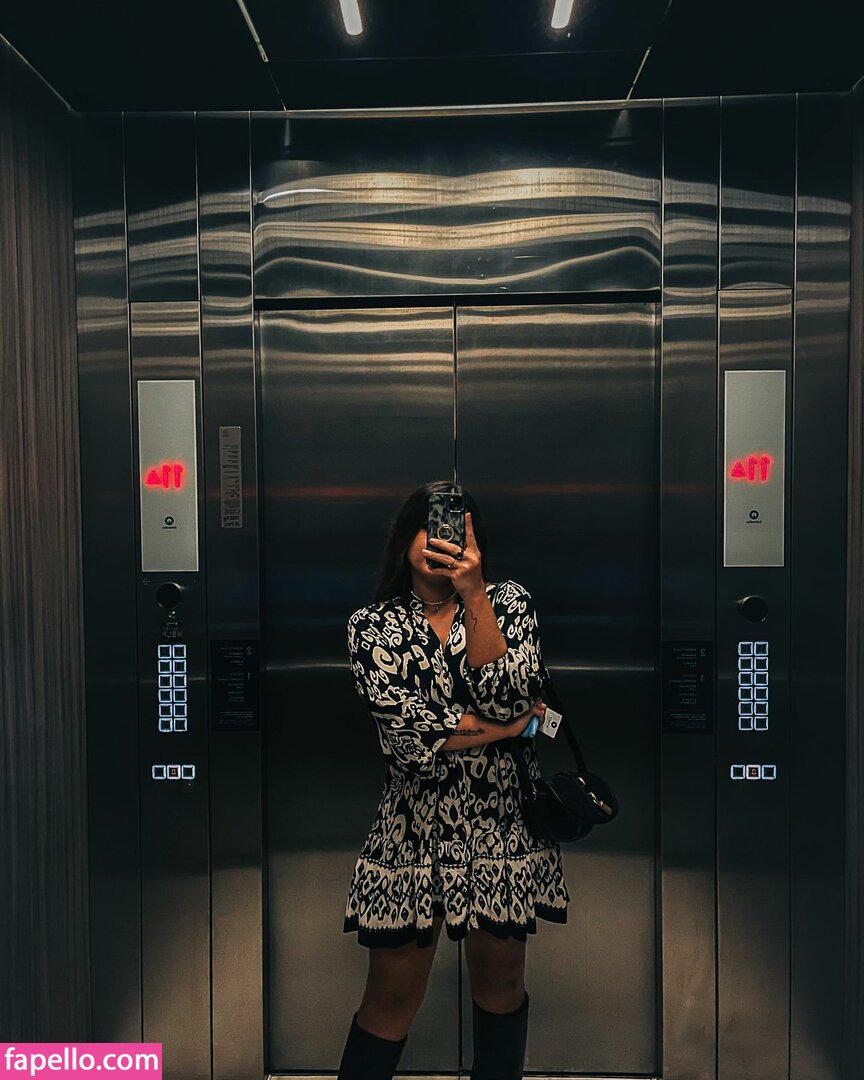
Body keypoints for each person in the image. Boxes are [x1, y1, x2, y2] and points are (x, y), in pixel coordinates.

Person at [337, 480, 571, 1080]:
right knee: (391, 997)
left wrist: (475, 595)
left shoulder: (508, 603)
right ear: (405, 538)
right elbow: (411, 736)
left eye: (457, 530)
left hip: (503, 827)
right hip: (411, 830)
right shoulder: (372, 626)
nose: (440, 540)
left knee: (503, 985)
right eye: (430, 525)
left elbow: (510, 693)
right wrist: (512, 728)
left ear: (475, 544)